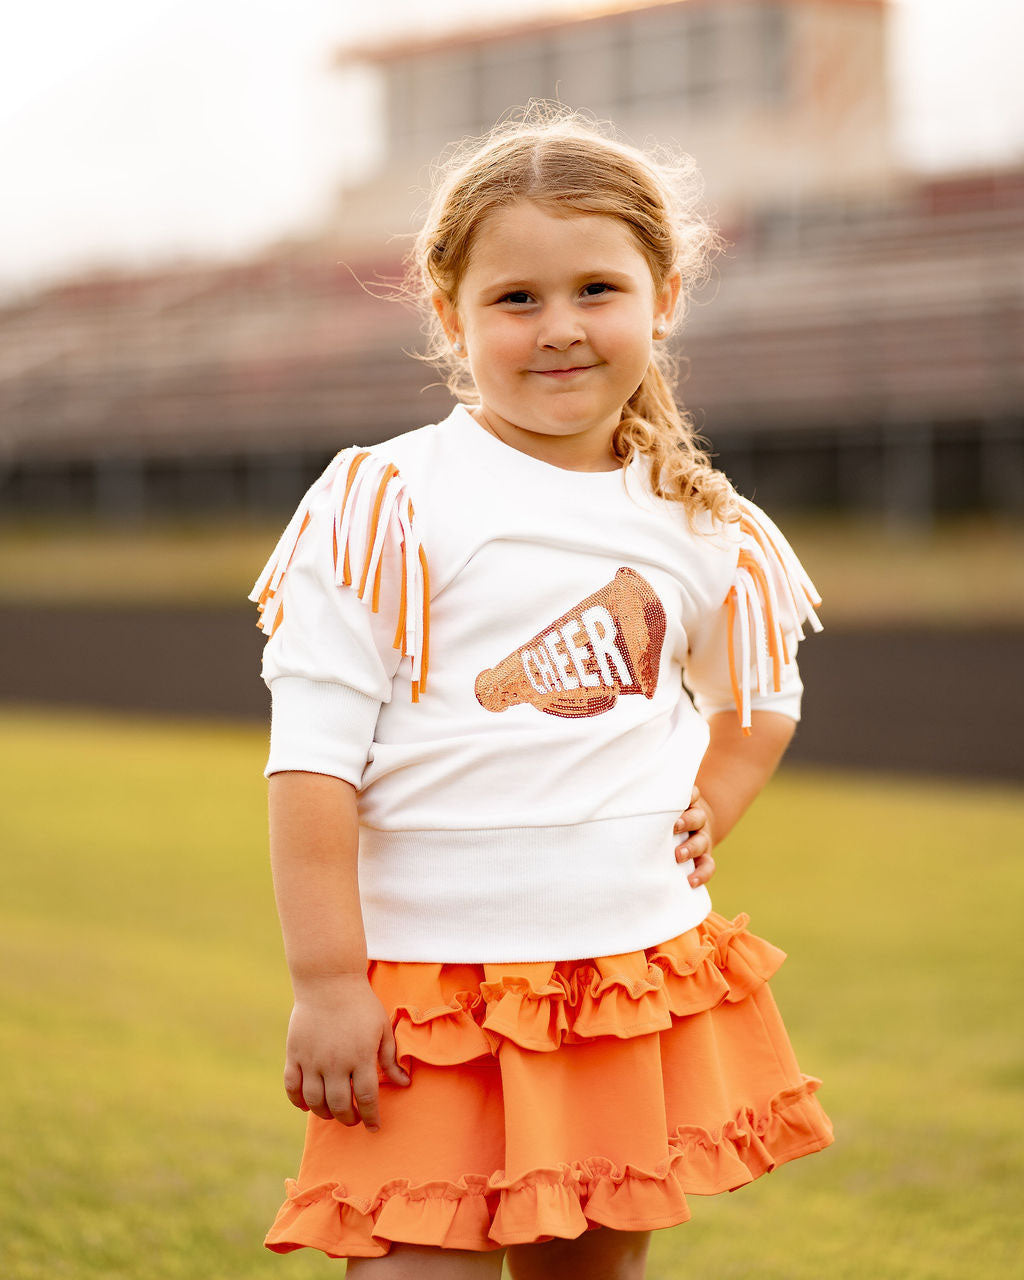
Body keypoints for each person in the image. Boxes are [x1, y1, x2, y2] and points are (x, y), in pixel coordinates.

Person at [249, 106, 833, 1279]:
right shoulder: (390, 500)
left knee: (587, 1270)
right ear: (449, 315)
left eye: (597, 290)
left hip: (615, 975)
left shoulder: (706, 524)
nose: (559, 328)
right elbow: (313, 759)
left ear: (663, 298)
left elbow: (762, 698)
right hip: (421, 990)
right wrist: (324, 981)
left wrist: (707, 807)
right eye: (516, 298)